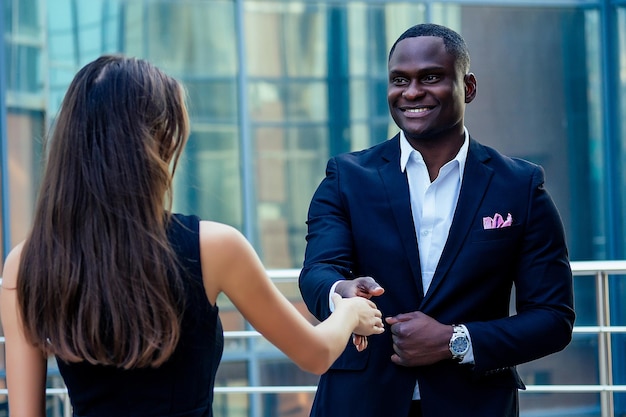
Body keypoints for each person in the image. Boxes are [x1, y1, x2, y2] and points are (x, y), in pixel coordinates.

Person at [0, 54, 385, 417]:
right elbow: (314, 354)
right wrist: (349, 311)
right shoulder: (213, 247)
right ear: (156, 144)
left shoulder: (24, 263)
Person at [298, 23, 575, 417]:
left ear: (469, 87)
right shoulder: (346, 177)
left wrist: (454, 340)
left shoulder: (520, 186)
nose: (411, 92)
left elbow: (553, 318)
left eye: (431, 77)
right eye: (399, 80)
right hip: (360, 402)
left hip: (474, 404)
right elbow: (318, 272)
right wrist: (342, 291)